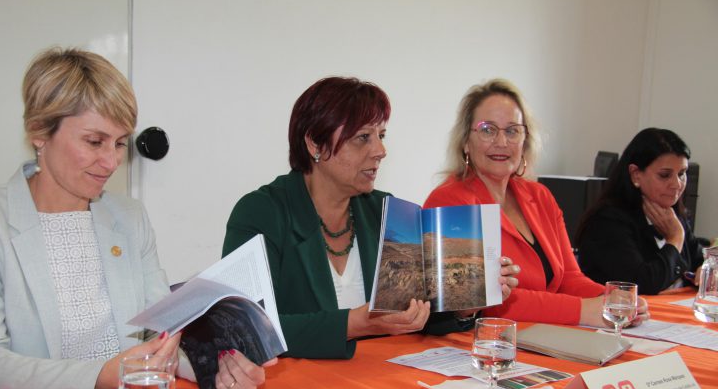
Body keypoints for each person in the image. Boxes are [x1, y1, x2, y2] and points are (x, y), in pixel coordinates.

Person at [0, 48, 271, 389]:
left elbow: (158, 332)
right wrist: (102, 376)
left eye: (120, 143)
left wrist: (212, 367)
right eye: (94, 141)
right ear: (39, 132)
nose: (112, 161)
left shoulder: (129, 217)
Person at [222, 76, 519, 359]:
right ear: (314, 143)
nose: (380, 150)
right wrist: (356, 323)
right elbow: (245, 328)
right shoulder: (261, 212)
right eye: (363, 137)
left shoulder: (385, 210)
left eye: (381, 135)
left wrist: (465, 305)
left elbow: (419, 317)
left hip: (374, 383)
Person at [423, 78, 648, 327]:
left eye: (512, 130)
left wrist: (611, 300)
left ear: (525, 140)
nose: (501, 142)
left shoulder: (540, 196)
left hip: (544, 336)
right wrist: (583, 310)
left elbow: (569, 279)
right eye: (487, 129)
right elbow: (490, 303)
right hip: (485, 344)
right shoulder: (449, 201)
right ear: (466, 141)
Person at [576, 128, 704, 294]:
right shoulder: (607, 221)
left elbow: (700, 259)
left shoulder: (673, 213)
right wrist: (675, 239)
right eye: (665, 175)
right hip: (624, 317)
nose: (677, 184)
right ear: (636, 174)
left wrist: (708, 269)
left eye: (682, 174)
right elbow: (642, 284)